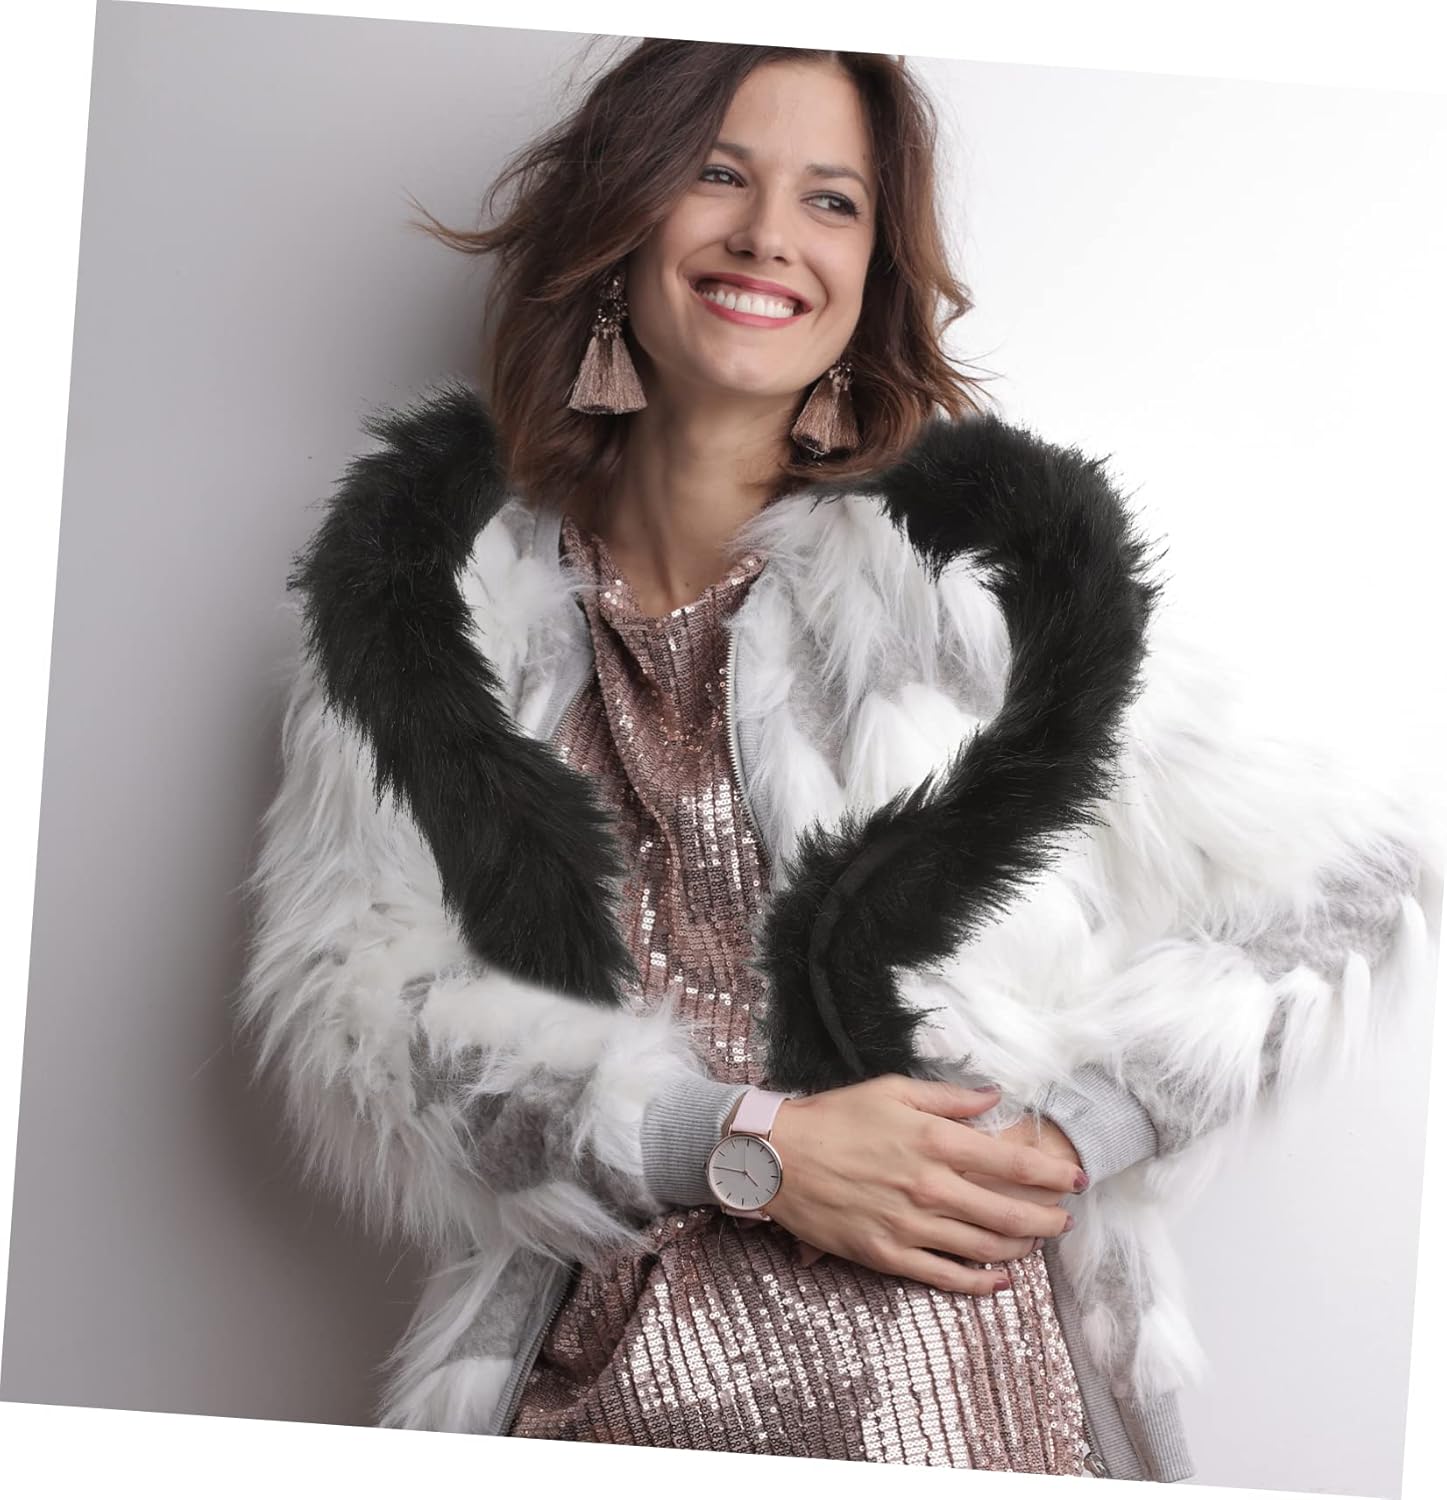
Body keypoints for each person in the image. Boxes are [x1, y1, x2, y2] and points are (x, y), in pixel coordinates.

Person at [238, 39, 1435, 1484]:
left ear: (870, 272)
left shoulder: (976, 591)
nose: (768, 235)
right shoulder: (428, 613)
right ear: (623, 215)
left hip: (956, 1399)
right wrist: (741, 1144)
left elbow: (1361, 883)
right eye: (717, 174)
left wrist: (1071, 1129)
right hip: (590, 1380)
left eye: (833, 200)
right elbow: (359, 1011)